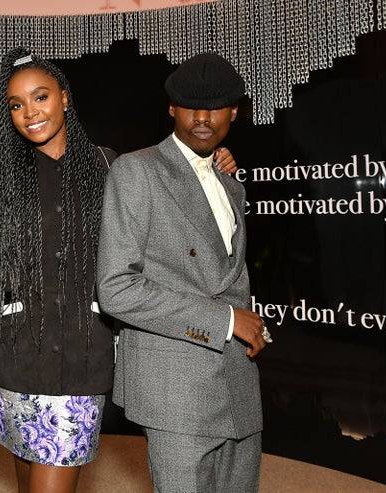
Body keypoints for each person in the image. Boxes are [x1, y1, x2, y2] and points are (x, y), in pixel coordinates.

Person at [0, 48, 239, 493]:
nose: (30, 112)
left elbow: (169, 206)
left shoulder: (111, 167)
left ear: (65, 97)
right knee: (27, 481)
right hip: (18, 359)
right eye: (16, 104)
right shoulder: (1, 175)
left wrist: (212, 164)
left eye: (40, 96)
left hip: (83, 359)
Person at [96, 52, 270, 493]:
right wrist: (227, 321)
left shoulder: (232, 184)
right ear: (172, 108)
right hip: (174, 387)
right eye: (191, 105)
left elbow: (228, 278)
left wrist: (247, 325)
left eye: (215, 106)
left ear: (234, 111)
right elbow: (116, 288)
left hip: (238, 380)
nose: (203, 117)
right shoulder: (136, 170)